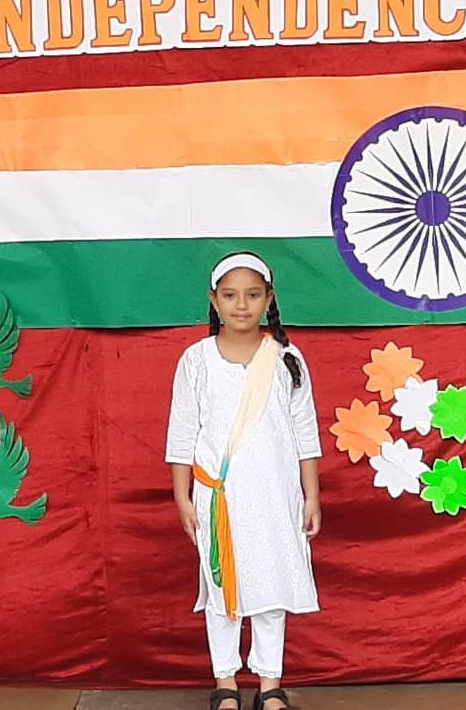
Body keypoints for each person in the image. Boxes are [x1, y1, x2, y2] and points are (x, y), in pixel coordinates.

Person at [165, 251, 322, 710]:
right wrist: (182, 496)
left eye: (252, 295)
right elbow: (182, 432)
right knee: (222, 591)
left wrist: (311, 495)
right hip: (219, 497)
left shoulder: (287, 358)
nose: (241, 305)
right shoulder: (196, 361)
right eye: (230, 295)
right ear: (213, 300)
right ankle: (226, 683)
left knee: (272, 588)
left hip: (276, 495)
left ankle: (270, 684)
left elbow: (305, 431)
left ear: (269, 299)